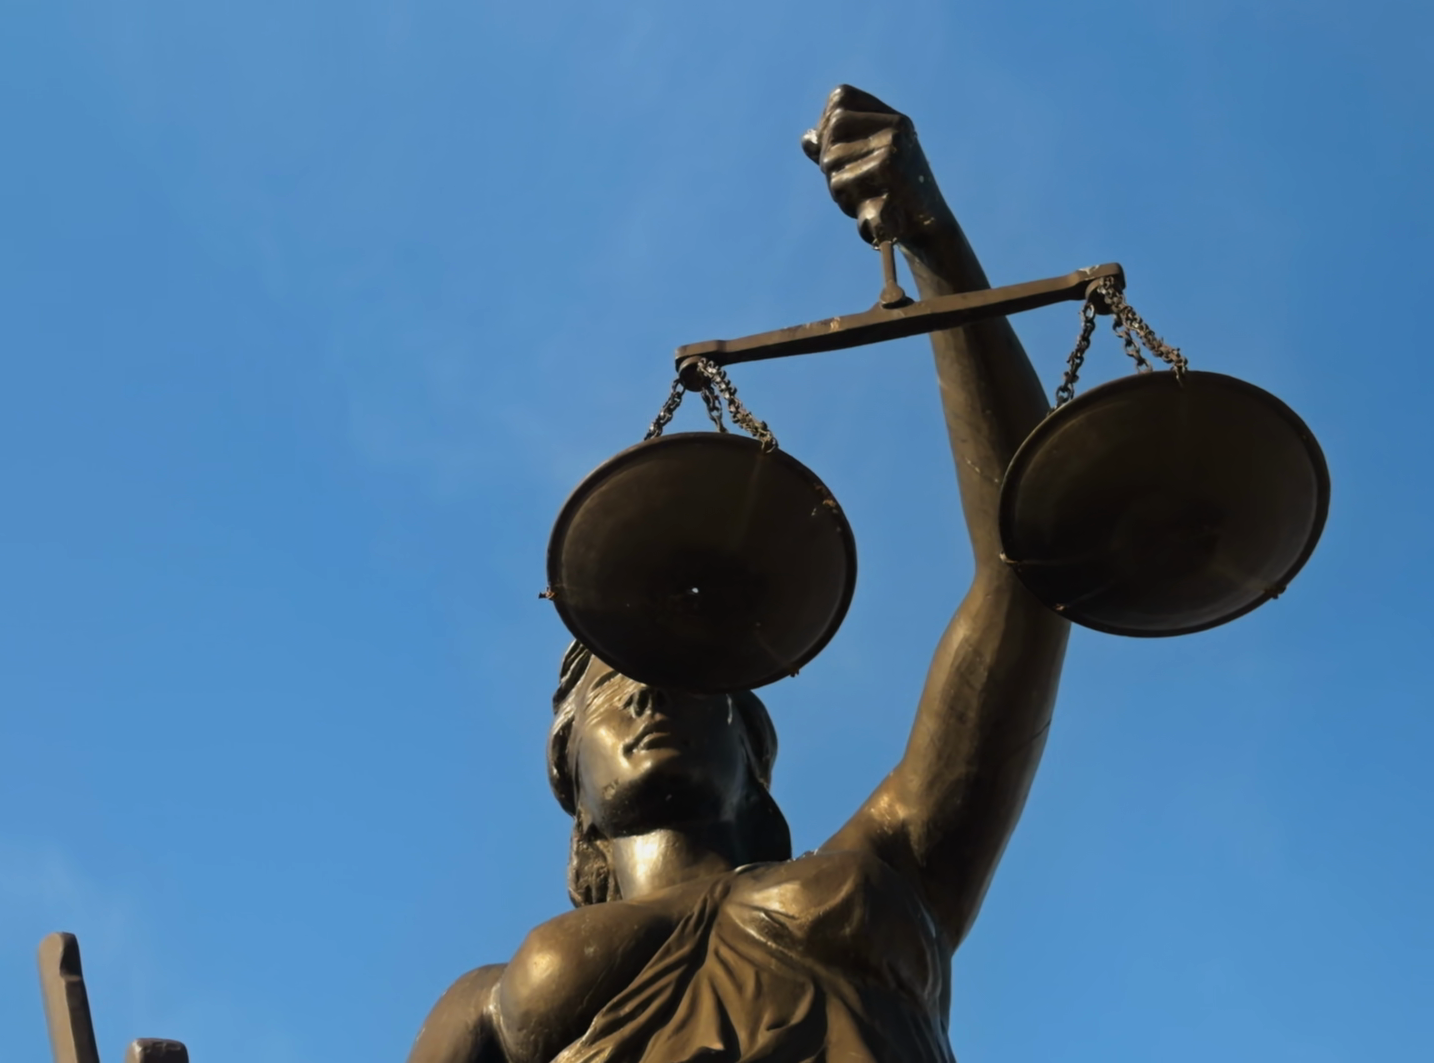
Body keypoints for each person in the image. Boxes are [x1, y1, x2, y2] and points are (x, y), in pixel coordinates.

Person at [405, 85, 1072, 1063]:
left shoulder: (890, 866)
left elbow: (1023, 577)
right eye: (606, 685)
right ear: (567, 776)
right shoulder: (484, 1004)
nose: (645, 689)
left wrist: (934, 242)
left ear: (752, 749)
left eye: (682, 671)